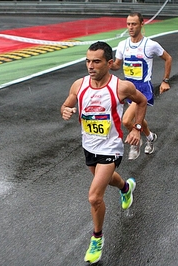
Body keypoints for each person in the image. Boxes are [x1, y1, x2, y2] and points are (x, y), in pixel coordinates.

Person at [61, 41, 147, 264]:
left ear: (109, 63)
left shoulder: (121, 87)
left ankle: (97, 238)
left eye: (96, 61)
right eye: (88, 61)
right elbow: (67, 103)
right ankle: (126, 188)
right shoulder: (79, 85)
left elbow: (141, 101)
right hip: (89, 146)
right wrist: (66, 110)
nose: (91, 66)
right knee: (108, 181)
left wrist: (137, 129)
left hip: (111, 147)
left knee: (94, 196)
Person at [111, 12, 172, 160]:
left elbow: (168, 58)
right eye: (128, 24)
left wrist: (165, 80)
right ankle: (150, 137)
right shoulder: (122, 45)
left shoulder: (150, 45)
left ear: (142, 24)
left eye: (134, 24)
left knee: (126, 120)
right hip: (128, 89)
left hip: (143, 88)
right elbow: (116, 65)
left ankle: (135, 141)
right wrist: (105, 63)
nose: (130, 27)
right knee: (138, 118)